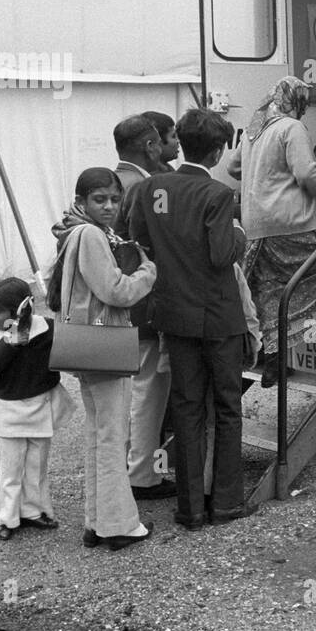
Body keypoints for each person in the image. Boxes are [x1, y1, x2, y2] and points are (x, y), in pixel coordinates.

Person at [127, 109, 249, 530]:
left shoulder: (152, 187)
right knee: (227, 406)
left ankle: (190, 507)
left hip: (173, 313)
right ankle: (227, 501)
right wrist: (238, 233)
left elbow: (138, 240)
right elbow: (221, 255)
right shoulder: (218, 195)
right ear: (217, 151)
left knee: (186, 406)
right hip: (217, 314)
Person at [48, 168, 156, 551]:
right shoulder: (92, 235)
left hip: (87, 345)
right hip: (106, 342)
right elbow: (114, 291)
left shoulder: (73, 231)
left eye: (114, 198)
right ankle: (118, 525)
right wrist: (147, 273)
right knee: (113, 436)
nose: (109, 206)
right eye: (99, 199)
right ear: (81, 201)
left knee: (99, 434)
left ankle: (97, 521)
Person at [238, 77, 316, 387]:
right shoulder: (291, 128)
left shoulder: (254, 129)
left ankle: (273, 360)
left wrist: (264, 171)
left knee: (271, 292)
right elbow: (307, 174)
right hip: (293, 226)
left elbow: (232, 168)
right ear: (296, 101)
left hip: (258, 231)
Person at [0, 278, 75, 541]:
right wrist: (9, 341)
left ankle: (33, 511)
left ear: (18, 309)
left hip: (40, 408)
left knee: (36, 466)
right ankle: (6, 518)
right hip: (9, 413)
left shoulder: (47, 329)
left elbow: (70, 352)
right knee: (9, 470)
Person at [112, 116, 175, 500]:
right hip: (144, 301)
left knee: (127, 391)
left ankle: (125, 466)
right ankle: (142, 475)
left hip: (119, 303)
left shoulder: (110, 181)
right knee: (149, 391)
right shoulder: (146, 186)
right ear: (150, 146)